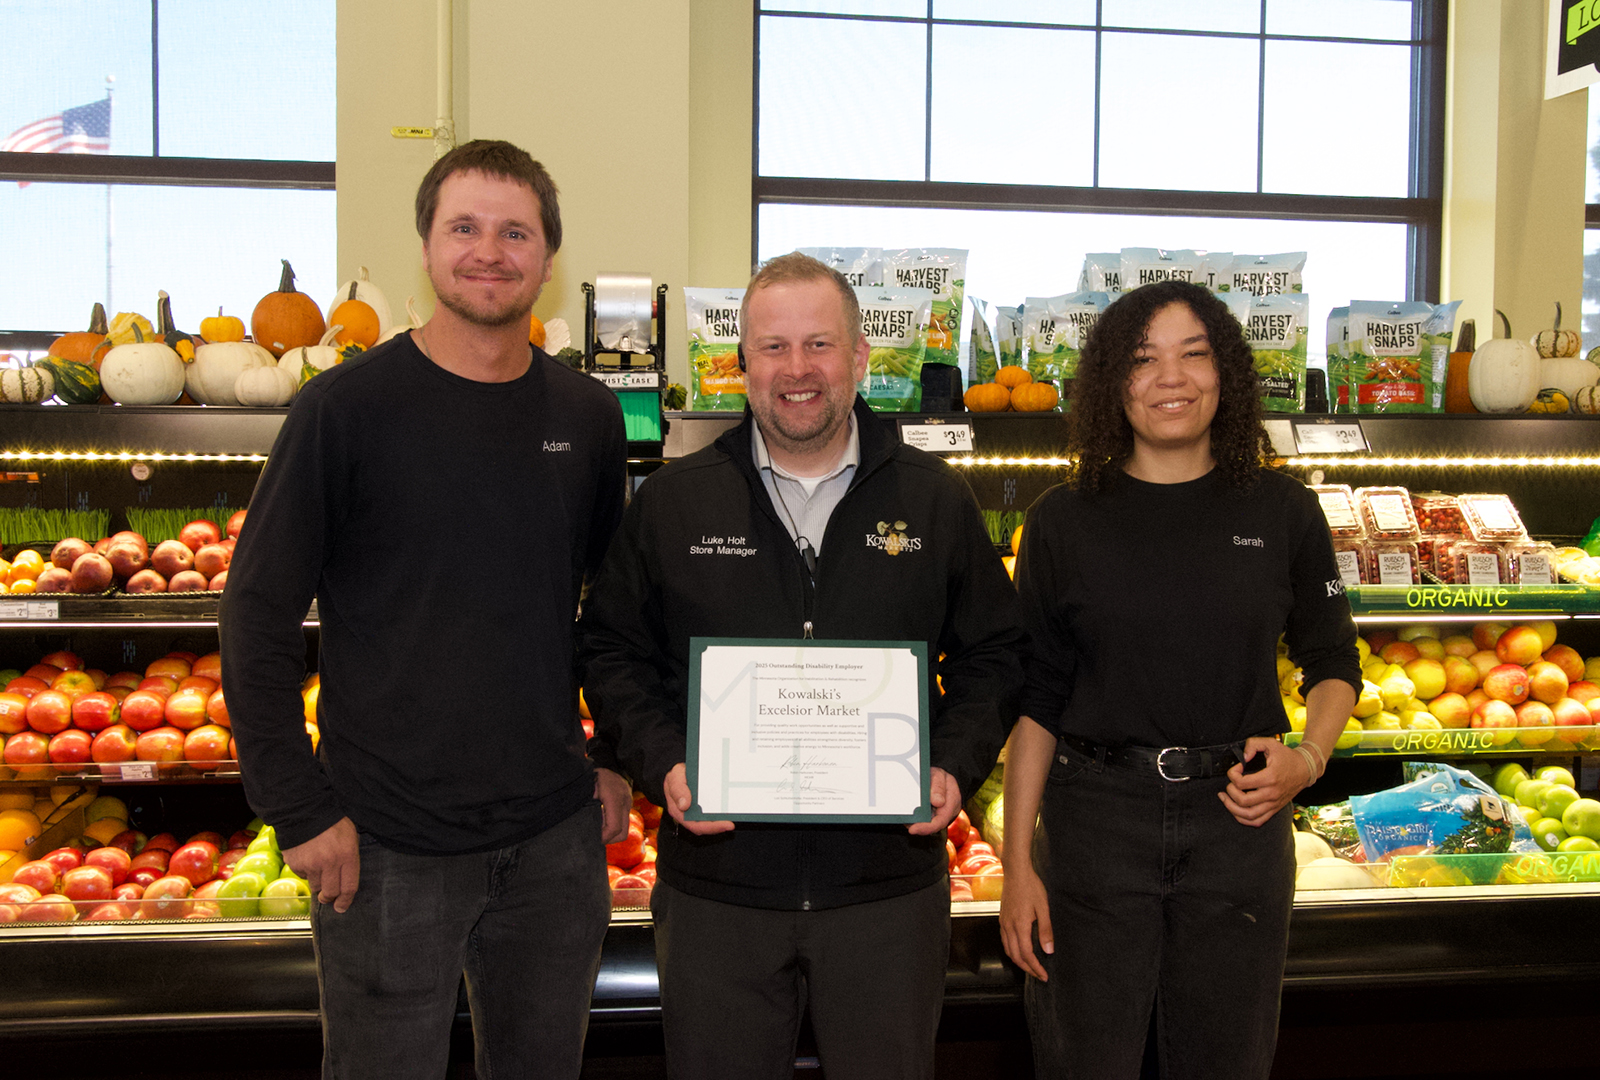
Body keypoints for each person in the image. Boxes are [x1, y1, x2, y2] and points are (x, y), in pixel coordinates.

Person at [219, 139, 631, 1080]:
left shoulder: (588, 415)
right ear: (427, 245)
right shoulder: (342, 411)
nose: (490, 251)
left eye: (514, 231)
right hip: (384, 845)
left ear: (546, 257)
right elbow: (255, 616)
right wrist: (296, 806)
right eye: (465, 228)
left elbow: (613, 610)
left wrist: (613, 753)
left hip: (555, 846)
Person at [578, 252, 1023, 1080]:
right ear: (740, 363)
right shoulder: (677, 502)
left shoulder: (932, 499)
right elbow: (612, 649)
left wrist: (953, 763)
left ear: (858, 358)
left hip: (885, 894)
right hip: (718, 896)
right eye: (772, 348)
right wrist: (665, 760)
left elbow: (995, 652)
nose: (796, 370)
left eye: (818, 344)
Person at [996, 279, 1361, 1080]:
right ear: (1110, 384)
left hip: (1238, 821)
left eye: (1193, 356)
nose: (1171, 378)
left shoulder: (1282, 511)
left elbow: (1332, 663)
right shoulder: (1062, 519)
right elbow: (1037, 698)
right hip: (1093, 822)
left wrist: (1308, 758)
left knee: (1226, 1061)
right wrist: (1018, 862)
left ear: (1224, 374)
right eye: (1143, 359)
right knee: (1082, 1060)